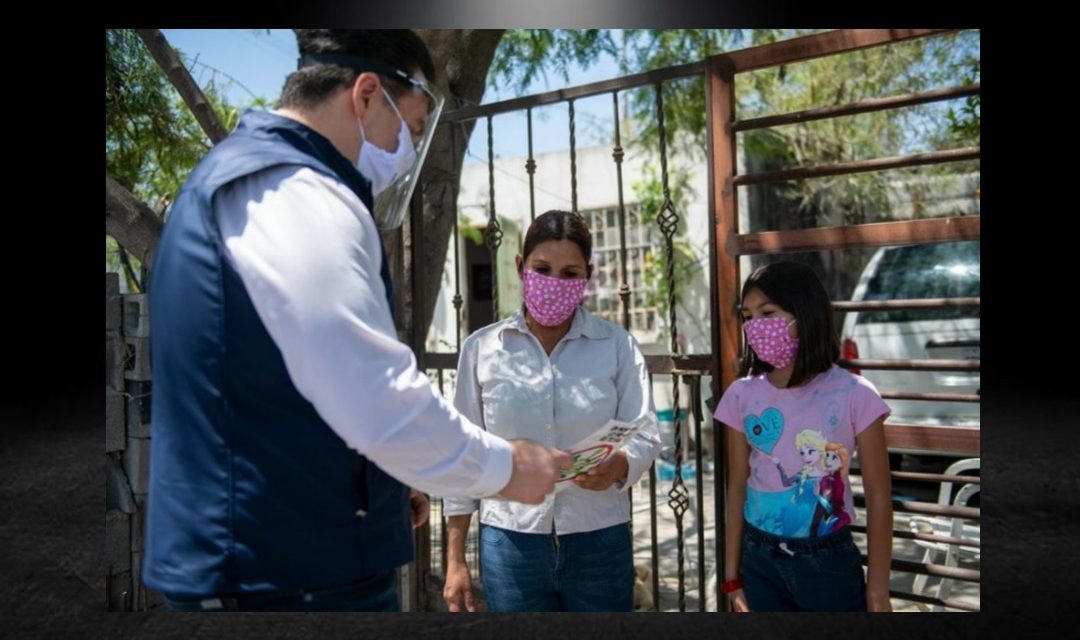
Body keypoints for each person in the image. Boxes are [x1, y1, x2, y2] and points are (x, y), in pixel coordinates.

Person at [142, 29, 570, 612]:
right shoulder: (293, 190)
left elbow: (299, 382)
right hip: (282, 578)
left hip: (285, 563)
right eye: (411, 129)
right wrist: (506, 467)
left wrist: (385, 480)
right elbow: (374, 396)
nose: (406, 151)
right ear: (366, 95)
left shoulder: (253, 181)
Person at [441, 210, 662, 612]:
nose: (555, 283)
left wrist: (619, 465)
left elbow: (645, 430)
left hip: (599, 538)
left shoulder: (616, 346)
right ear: (521, 267)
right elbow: (463, 454)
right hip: (511, 544)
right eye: (543, 268)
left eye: (569, 273)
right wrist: (455, 560)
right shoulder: (482, 349)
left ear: (587, 277)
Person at [713, 261, 893, 612]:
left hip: (828, 564)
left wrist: (878, 590)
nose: (754, 326)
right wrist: (732, 576)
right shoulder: (740, 395)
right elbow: (737, 486)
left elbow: (879, 496)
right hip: (758, 559)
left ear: (805, 314)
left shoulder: (856, 394)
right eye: (747, 316)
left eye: (768, 312)